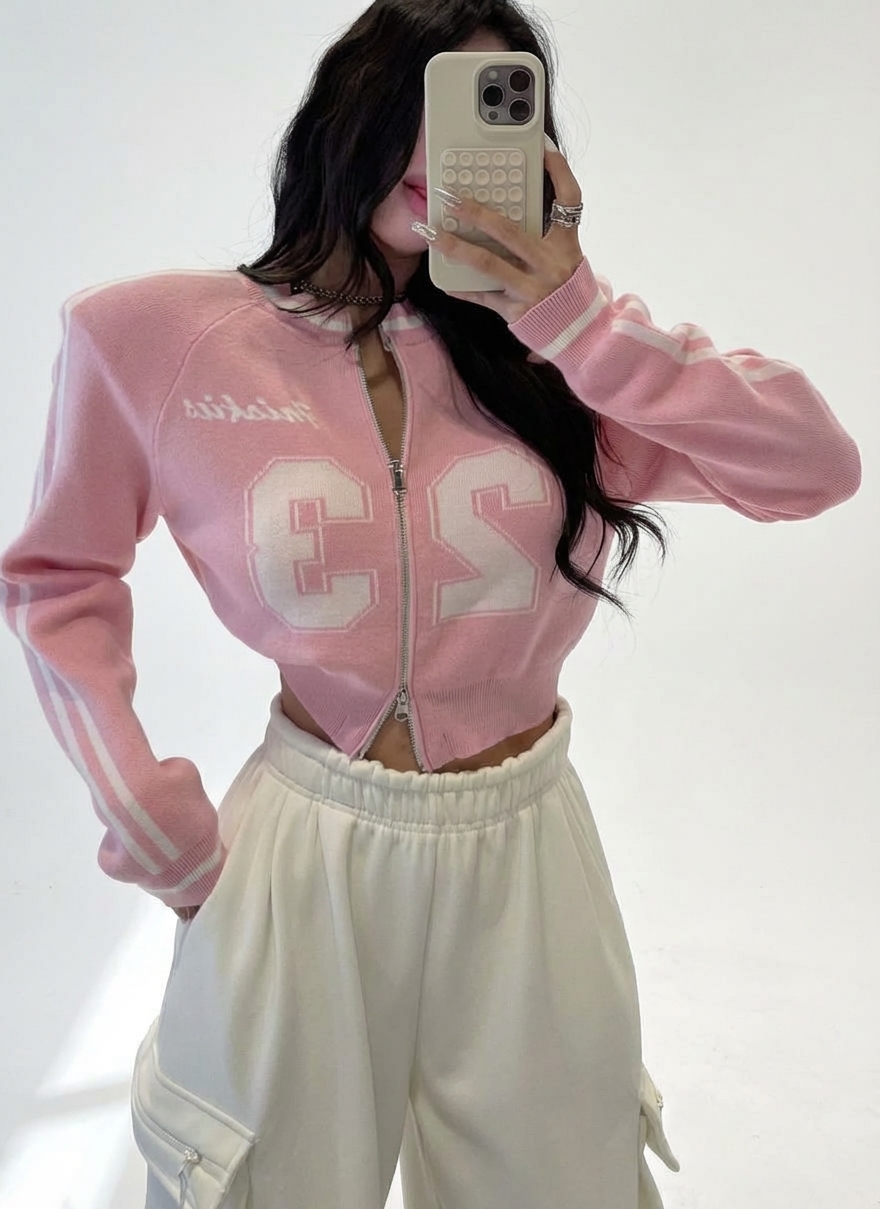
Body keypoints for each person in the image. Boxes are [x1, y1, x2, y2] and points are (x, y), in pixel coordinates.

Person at [0, 0, 862, 1206]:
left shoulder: (561, 365)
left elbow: (814, 467)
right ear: (343, 109)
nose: (436, 148)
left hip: (526, 853)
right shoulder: (151, 339)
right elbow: (58, 574)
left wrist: (575, 317)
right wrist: (135, 797)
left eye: (485, 113)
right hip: (299, 854)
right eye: (414, 99)